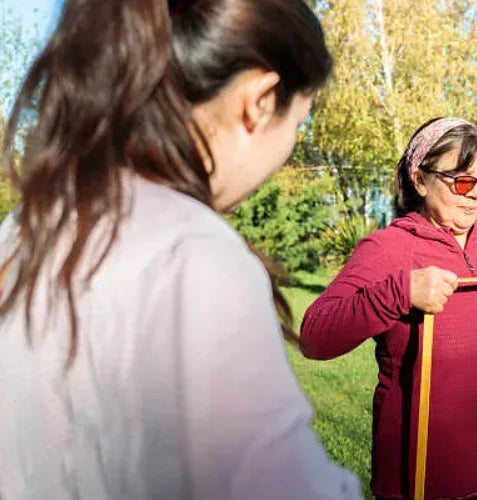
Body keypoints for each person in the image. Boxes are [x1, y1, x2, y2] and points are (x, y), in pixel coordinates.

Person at [0, 1, 363, 499]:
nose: (289, 148)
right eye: (297, 123)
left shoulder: (27, 227)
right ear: (260, 99)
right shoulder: (192, 256)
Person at [300, 117, 477, 500]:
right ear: (420, 179)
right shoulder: (387, 249)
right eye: (461, 180)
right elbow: (315, 336)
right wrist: (400, 292)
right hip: (423, 482)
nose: (476, 193)